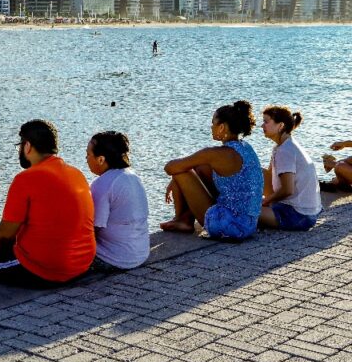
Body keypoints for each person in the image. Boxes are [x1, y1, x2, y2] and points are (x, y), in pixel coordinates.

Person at [0, 120, 96, 287]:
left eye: (20, 146)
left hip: (47, 270)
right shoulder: (76, 174)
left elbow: (4, 235)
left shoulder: (25, 179)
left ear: (28, 146)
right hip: (82, 264)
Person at [161, 100, 262, 240]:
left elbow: (170, 167)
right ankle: (185, 219)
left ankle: (181, 220)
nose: (211, 127)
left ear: (222, 127)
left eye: (213, 123)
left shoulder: (214, 154)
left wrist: (177, 178)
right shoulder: (245, 148)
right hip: (248, 225)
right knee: (199, 168)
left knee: (182, 170)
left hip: (227, 225)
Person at [85, 132, 149, 271]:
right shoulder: (133, 176)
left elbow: (93, 228)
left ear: (101, 159)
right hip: (141, 254)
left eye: (88, 155)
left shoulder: (102, 184)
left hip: (115, 259)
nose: (86, 159)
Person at [259, 106, 321, 230]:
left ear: (280, 126)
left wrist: (265, 202)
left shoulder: (285, 151)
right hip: (307, 212)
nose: (262, 125)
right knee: (257, 171)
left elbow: (288, 190)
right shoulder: (283, 146)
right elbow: (269, 176)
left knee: (244, 211)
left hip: (298, 215)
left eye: (266, 121)